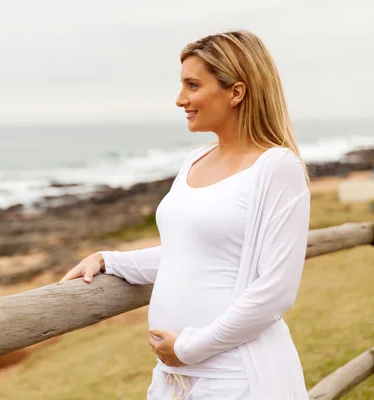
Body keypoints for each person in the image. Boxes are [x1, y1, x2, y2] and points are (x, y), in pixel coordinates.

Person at [60, 30, 311, 399]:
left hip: (235, 378)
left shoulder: (277, 169)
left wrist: (188, 348)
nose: (180, 100)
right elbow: (185, 253)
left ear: (236, 92)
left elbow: (275, 292)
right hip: (173, 379)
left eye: (192, 85)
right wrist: (109, 261)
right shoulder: (194, 159)